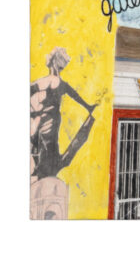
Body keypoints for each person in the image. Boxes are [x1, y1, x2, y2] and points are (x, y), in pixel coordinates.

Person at [30, 47, 97, 183]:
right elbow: (76, 97)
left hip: (45, 120)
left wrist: (35, 109)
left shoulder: (47, 80)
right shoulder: (60, 83)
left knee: (44, 145)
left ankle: (41, 171)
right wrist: (89, 107)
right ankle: (42, 171)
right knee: (49, 145)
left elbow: (30, 90)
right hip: (53, 119)